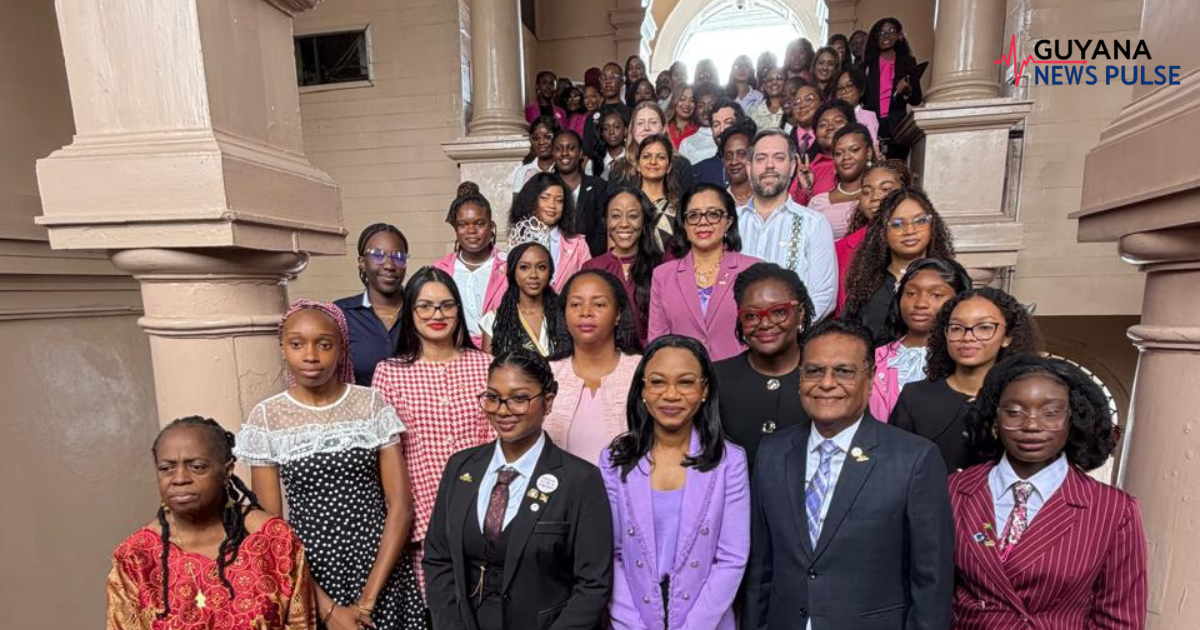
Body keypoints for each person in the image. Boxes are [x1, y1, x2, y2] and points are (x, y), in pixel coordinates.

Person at [743, 318, 954, 630]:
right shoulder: (772, 452)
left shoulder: (914, 459)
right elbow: (761, 566)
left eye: (843, 371)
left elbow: (931, 580)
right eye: (814, 371)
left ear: (870, 379)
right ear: (800, 379)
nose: (826, 383)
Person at [238, 301, 427, 629]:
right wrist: (327, 609)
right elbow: (272, 530)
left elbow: (401, 506)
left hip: (380, 564)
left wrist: (368, 601)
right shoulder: (268, 417)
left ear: (341, 349)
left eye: (324, 344)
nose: (311, 355)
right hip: (310, 570)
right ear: (283, 348)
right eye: (297, 344)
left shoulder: (370, 404)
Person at [951, 355, 1147, 629]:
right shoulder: (954, 491)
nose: (1032, 425)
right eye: (1015, 411)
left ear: (1073, 419)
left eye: (1051, 412)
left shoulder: (1114, 510)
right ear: (994, 417)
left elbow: (1119, 619)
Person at [423, 350, 613, 630]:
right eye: (493, 397)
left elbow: (593, 585)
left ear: (547, 402)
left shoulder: (580, 480)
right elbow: (438, 559)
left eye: (519, 398)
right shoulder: (460, 467)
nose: (503, 409)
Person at [106, 416, 315, 630]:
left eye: (197, 467)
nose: (179, 479)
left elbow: (302, 624)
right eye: (166, 468)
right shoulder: (136, 557)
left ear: (227, 471)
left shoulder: (274, 540)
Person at [603, 335, 750, 630]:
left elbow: (732, 558)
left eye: (685, 382)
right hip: (632, 618)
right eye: (657, 382)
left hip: (705, 618)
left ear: (704, 389)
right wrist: (632, 625)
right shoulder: (614, 458)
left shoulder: (730, 461)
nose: (671, 395)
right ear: (642, 389)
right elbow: (611, 555)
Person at [372, 266, 495, 588]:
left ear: (458, 309)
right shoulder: (389, 373)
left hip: (485, 513)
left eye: (446, 305)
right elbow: (389, 455)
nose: (436, 314)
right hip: (423, 521)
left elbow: (498, 440)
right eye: (424, 306)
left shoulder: (485, 365)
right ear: (410, 310)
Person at [891, 287, 1042, 473]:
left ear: (1007, 337)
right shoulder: (915, 396)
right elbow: (894, 467)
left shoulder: (1023, 400)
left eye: (984, 327)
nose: (967, 337)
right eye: (956, 328)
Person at [715, 262, 813, 467]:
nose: (765, 324)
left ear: (801, 312)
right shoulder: (717, 378)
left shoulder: (825, 377)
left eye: (779, 312)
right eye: (751, 316)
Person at [649, 184, 759, 362]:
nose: (703, 222)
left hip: (741, 379)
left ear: (729, 221)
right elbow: (657, 342)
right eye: (693, 215)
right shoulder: (663, 275)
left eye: (713, 214)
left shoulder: (753, 270)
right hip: (684, 380)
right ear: (684, 224)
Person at [739, 128, 838, 320]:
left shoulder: (814, 224)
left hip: (792, 343)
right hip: (733, 339)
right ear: (748, 167)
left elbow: (823, 297)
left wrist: (785, 332)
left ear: (792, 166)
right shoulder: (729, 223)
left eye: (778, 158)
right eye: (760, 158)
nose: (769, 165)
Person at [545, 270, 642, 464]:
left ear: (618, 315)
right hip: (561, 491)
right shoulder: (546, 373)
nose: (585, 312)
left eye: (598, 304)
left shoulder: (642, 369)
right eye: (575, 304)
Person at [843, 188, 955, 341]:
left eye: (920, 221)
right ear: (883, 231)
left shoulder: (950, 279)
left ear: (933, 225)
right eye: (897, 224)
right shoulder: (866, 285)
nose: (910, 230)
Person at [869, 258, 972, 421]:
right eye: (911, 293)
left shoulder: (965, 359)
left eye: (936, 295)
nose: (920, 303)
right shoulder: (875, 358)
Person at [582, 186, 663, 346]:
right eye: (616, 216)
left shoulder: (662, 267)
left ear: (645, 221)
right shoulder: (591, 268)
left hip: (652, 359)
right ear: (606, 221)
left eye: (633, 216)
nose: (624, 224)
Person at [835, 159, 912, 313]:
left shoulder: (916, 240)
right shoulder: (841, 248)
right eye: (866, 191)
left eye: (885, 189)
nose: (875, 197)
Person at [335, 223, 409, 386]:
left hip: (417, 410)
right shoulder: (340, 315)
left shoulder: (421, 312)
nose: (390, 266)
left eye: (398, 257)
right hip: (361, 410)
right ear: (362, 262)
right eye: (378, 255)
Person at [434, 185, 507, 347]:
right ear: (456, 229)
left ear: (491, 226)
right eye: (463, 224)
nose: (471, 230)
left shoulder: (509, 267)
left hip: (502, 351)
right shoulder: (440, 270)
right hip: (454, 350)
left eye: (479, 223)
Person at [480, 242, 570, 357]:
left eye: (541, 267)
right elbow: (489, 369)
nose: (533, 275)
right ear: (513, 271)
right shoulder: (494, 319)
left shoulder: (566, 314)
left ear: (550, 271)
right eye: (524, 267)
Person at [509, 172, 592, 292]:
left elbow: (588, 284)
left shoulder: (578, 245)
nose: (552, 205)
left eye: (559, 201)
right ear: (531, 200)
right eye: (544, 198)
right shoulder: (517, 239)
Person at [862, 17, 924, 159]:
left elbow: (916, 99)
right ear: (875, 37)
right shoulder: (867, 65)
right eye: (881, 32)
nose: (886, 35)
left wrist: (907, 90)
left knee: (897, 169)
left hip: (897, 126)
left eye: (890, 31)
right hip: (873, 124)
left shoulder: (907, 62)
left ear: (898, 35)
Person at [609, 101, 696, 194]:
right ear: (633, 130)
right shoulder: (619, 168)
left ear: (663, 129)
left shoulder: (681, 165)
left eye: (653, 122)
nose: (646, 128)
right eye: (640, 123)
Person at [808, 122, 874, 239]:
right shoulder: (818, 202)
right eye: (839, 153)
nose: (846, 157)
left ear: (868, 152)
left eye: (854, 150)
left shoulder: (878, 195)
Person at [551, 130, 608, 256]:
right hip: (555, 259)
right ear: (553, 153)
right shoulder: (545, 187)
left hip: (591, 258)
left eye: (571, 148)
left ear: (580, 153)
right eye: (559, 149)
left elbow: (603, 228)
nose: (564, 153)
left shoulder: (598, 186)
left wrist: (585, 256)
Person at [791, 99, 854, 206]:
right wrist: (805, 190)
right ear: (815, 134)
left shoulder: (863, 162)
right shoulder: (808, 170)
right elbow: (793, 213)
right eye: (823, 125)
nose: (830, 127)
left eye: (838, 121)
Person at [691, 98, 749, 187]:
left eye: (728, 122)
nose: (722, 130)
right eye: (716, 125)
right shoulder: (698, 172)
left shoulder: (756, 164)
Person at [510, 115, 559, 195]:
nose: (541, 142)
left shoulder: (562, 170)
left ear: (557, 138)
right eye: (536, 138)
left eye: (547, 137)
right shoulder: (523, 172)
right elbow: (517, 206)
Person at [833, 66, 880, 144]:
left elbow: (871, 144)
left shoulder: (868, 116)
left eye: (849, 86)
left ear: (861, 90)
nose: (844, 91)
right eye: (839, 88)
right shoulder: (834, 116)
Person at [719, 120, 758, 204]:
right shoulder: (718, 203)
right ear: (723, 161)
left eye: (741, 154)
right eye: (728, 156)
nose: (734, 162)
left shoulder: (768, 198)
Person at [593, 106, 631, 179]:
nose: (611, 132)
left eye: (616, 127)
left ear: (625, 130)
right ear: (602, 133)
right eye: (606, 128)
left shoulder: (632, 159)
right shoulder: (594, 162)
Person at [747, 66, 787, 132]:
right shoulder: (753, 112)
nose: (774, 82)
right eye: (770, 80)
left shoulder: (792, 109)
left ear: (786, 82)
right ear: (764, 85)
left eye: (779, 78)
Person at [665, 83, 698, 149]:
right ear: (674, 101)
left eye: (692, 101)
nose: (687, 104)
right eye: (682, 99)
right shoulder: (663, 127)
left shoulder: (698, 130)